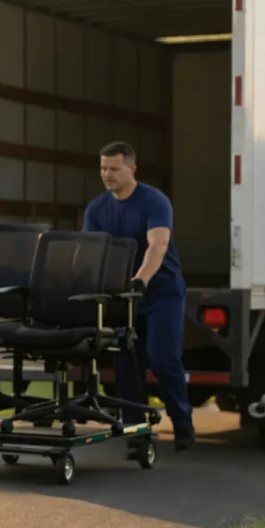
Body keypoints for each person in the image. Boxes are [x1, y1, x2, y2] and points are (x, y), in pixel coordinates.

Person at [83, 141, 196, 450]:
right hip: (122, 296)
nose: (107, 174)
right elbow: (94, 253)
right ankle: (136, 431)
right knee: (127, 363)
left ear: (132, 169)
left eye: (114, 169)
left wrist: (141, 280)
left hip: (160, 292)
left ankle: (183, 425)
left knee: (163, 358)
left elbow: (157, 245)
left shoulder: (155, 202)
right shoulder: (96, 209)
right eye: (103, 168)